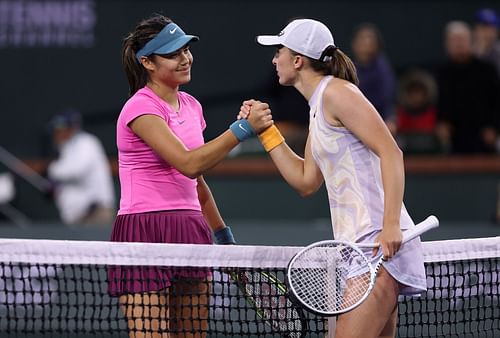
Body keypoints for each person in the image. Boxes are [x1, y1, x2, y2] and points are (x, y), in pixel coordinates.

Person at [240, 18, 426, 338]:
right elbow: (306, 181)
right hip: (360, 250)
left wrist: (392, 225)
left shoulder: (338, 94)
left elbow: (391, 152)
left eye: (279, 51)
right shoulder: (318, 108)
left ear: (297, 60)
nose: (274, 59)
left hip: (377, 246)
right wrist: (267, 133)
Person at [108, 14, 272, 338]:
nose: (185, 58)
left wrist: (224, 238)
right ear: (147, 63)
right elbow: (189, 163)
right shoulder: (140, 108)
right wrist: (241, 130)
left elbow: (196, 184)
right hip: (143, 230)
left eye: (185, 49)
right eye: (172, 53)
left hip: (191, 228)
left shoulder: (193, 107)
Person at [436, 21, 500, 154]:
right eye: (454, 40)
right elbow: (440, 101)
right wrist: (442, 122)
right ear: (447, 44)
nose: (458, 44)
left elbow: (496, 100)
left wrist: (494, 127)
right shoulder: (443, 72)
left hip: (483, 134)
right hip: (455, 136)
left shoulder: (486, 70)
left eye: (462, 40)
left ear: (471, 41)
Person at [46, 109, 116, 226]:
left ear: (70, 128)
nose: (56, 134)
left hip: (96, 212)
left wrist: (52, 169)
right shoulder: (66, 148)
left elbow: (76, 171)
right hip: (79, 217)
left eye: (58, 130)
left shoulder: (86, 142)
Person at [351, 23, 397, 134]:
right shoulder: (348, 67)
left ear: (377, 45)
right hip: (352, 118)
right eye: (362, 39)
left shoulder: (383, 69)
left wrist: (389, 120)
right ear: (354, 44)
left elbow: (387, 100)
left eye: (369, 39)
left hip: (378, 119)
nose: (365, 43)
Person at [395, 68, 442, 154]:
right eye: (412, 93)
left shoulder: (433, 114)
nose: (416, 97)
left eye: (419, 93)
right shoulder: (400, 115)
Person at [472, 8, 500, 75]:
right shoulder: (468, 52)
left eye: (491, 28)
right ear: (476, 29)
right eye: (483, 27)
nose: (487, 33)